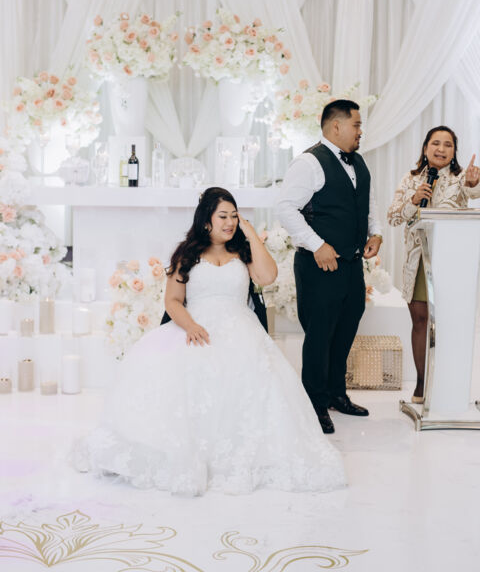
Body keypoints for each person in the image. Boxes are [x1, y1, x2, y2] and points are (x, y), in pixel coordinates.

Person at [76, 187, 345, 496]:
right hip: (197, 329)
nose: (230, 223)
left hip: (242, 331)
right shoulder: (187, 255)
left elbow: (268, 276)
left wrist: (250, 234)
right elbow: (173, 300)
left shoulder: (242, 252)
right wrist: (190, 325)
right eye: (223, 217)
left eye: (234, 216)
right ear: (206, 221)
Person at [277, 100, 382, 434]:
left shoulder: (359, 161)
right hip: (318, 265)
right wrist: (317, 245)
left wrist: (376, 232)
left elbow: (367, 203)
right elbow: (285, 208)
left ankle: (337, 394)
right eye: (357, 125)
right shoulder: (309, 162)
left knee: (346, 328)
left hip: (352, 264)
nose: (361, 131)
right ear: (336, 126)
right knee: (320, 336)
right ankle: (314, 404)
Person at [387, 126, 480, 403]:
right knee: (420, 321)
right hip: (419, 261)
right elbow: (393, 217)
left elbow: (473, 192)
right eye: (436, 143)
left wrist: (473, 184)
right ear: (426, 147)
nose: (441, 149)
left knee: (449, 323)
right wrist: (413, 200)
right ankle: (421, 383)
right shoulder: (411, 178)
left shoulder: (461, 178)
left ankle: (447, 385)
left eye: (448, 145)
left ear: (454, 151)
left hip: (451, 261)